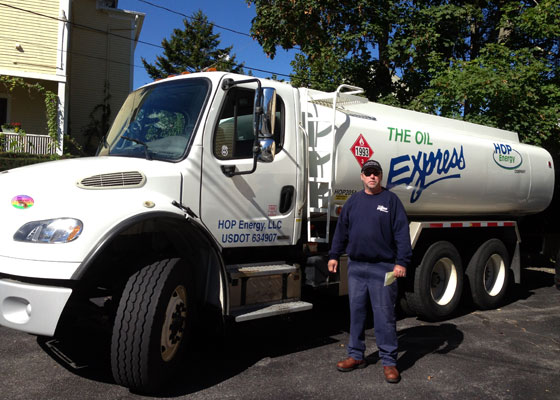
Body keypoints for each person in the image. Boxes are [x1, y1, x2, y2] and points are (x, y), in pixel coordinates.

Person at [328, 159, 412, 383]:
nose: (372, 176)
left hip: (383, 268)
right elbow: (341, 231)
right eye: (368, 173)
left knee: (384, 316)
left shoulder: (391, 201)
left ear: (381, 176)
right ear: (362, 176)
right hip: (356, 267)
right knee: (357, 313)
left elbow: (402, 234)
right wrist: (334, 255)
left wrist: (401, 262)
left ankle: (389, 362)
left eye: (376, 173)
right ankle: (356, 355)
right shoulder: (353, 201)